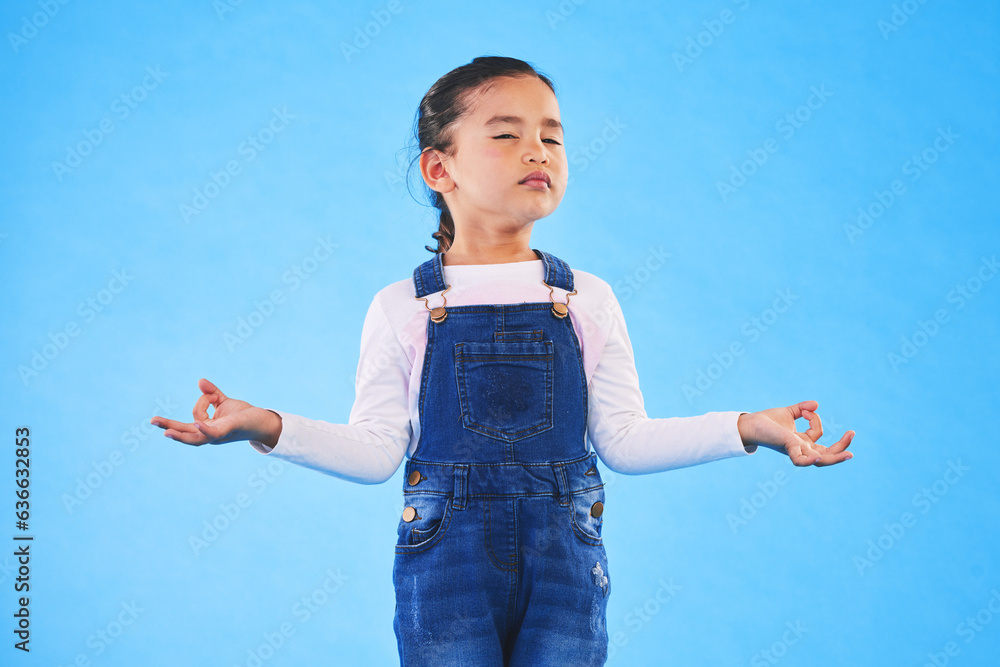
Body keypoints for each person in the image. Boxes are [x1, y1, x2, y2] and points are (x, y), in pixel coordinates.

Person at [151, 55, 854, 666]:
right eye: (507, 135)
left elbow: (626, 442)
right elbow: (373, 454)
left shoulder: (586, 298)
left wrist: (749, 427)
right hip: (446, 563)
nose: (537, 151)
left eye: (552, 135)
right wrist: (264, 424)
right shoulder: (402, 306)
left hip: (566, 564)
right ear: (440, 167)